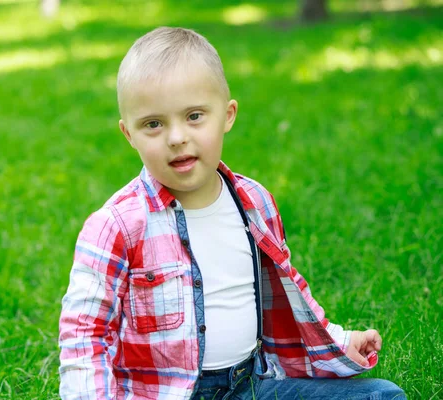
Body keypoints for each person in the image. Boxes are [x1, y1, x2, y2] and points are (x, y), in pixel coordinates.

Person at [58, 27, 405, 400]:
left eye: (194, 116)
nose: (176, 137)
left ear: (227, 115)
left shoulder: (254, 202)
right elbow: (85, 335)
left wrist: (339, 339)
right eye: (154, 124)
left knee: (381, 396)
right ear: (129, 134)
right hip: (167, 394)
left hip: (249, 385)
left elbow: (286, 298)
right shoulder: (117, 226)